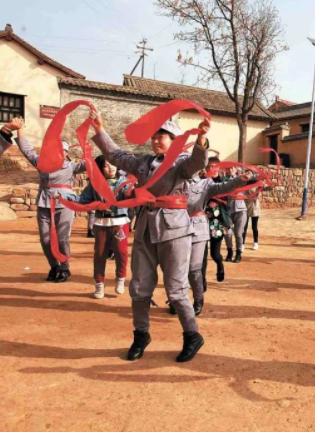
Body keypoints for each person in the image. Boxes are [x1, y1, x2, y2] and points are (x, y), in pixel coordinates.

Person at [89, 108, 209, 363]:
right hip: (145, 227)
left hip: (175, 230)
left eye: (161, 136)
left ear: (174, 140)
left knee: (176, 289)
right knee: (139, 286)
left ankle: (192, 335)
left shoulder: (181, 162)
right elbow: (116, 156)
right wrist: (100, 130)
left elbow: (197, 164)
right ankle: (141, 334)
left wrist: (201, 142)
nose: (155, 140)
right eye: (153, 136)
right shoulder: (143, 162)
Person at [9, 117, 86, 283]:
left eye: (63, 151)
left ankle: (65, 268)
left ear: (66, 153)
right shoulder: (42, 163)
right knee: (45, 239)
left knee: (62, 239)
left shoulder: (72, 166)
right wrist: (20, 129)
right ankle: (54, 266)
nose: (59, 153)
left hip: (64, 204)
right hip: (44, 202)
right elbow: (28, 151)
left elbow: (92, 164)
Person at [173, 169, 249, 317]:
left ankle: (198, 300)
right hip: (176, 227)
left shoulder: (205, 183)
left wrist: (240, 179)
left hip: (202, 227)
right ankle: (177, 300)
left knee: (195, 267)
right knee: (177, 266)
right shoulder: (174, 181)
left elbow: (224, 187)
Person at [58, 155, 131, 299]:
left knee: (121, 252)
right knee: (99, 254)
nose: (110, 168)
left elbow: (132, 197)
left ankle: (120, 278)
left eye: (112, 164)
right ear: (100, 168)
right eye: (106, 165)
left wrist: (136, 192)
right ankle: (99, 285)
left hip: (120, 222)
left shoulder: (125, 183)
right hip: (101, 223)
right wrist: (64, 196)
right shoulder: (95, 184)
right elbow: (82, 199)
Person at [203, 159, 233, 283]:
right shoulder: (201, 182)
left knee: (214, 254)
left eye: (214, 166)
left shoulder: (225, 182)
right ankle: (201, 281)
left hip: (218, 223)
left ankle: (220, 265)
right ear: (206, 168)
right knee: (201, 255)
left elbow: (237, 184)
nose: (212, 169)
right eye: (209, 167)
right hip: (202, 222)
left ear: (219, 168)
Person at [242, 169, 265, 251]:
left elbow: (266, 187)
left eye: (250, 173)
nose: (248, 174)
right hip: (245, 206)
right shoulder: (243, 183)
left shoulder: (257, 183)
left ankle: (256, 242)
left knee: (254, 226)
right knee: (244, 226)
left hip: (254, 206)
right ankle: (242, 244)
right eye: (247, 172)